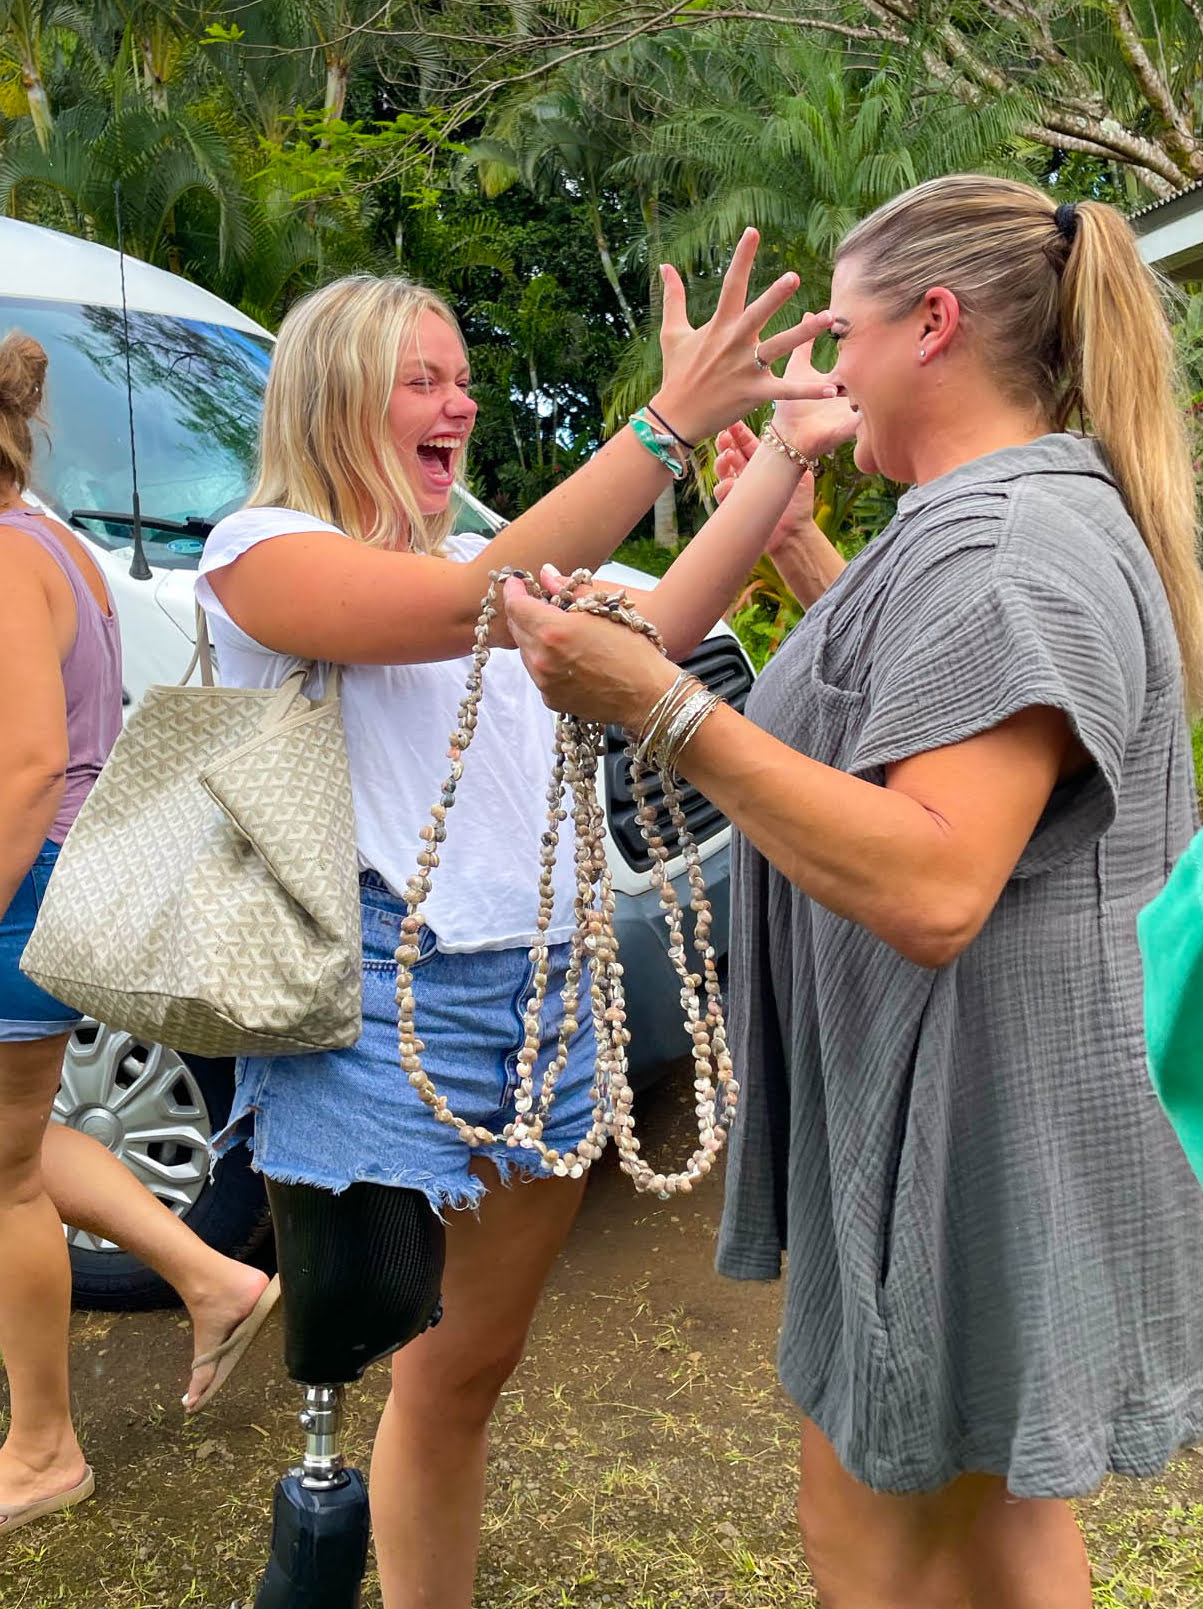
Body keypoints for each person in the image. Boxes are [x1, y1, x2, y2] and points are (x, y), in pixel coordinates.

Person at [503, 174, 1203, 1609]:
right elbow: (941, 724)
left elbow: (935, 879)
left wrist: (656, 703)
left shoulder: (1007, 547)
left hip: (976, 1121)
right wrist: (800, 557)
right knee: (997, 1513)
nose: (822, 370)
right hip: (986, 1103)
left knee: (871, 1530)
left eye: (840, 332)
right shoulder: (991, 522)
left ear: (934, 325)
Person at [193, 234, 835, 1609]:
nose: (459, 404)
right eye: (420, 380)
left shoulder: (498, 552)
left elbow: (656, 620)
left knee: (463, 1374)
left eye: (463, 379)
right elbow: (449, 611)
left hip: (545, 993)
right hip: (377, 1002)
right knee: (366, 1348)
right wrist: (666, 426)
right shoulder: (261, 554)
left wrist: (780, 456)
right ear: (333, 398)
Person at [0, 333, 278, 1539]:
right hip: (65, 865)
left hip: (22, 875)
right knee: (16, 1153)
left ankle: (44, 1449)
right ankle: (213, 1278)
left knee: (6, 1177)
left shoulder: (7, 557)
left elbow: (21, 765)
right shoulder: (53, 537)